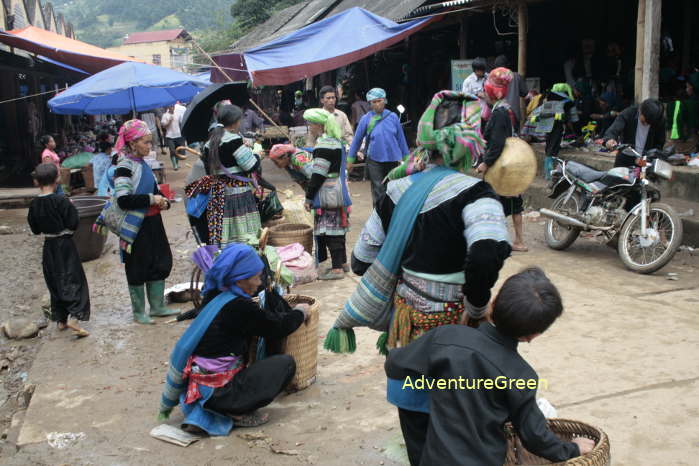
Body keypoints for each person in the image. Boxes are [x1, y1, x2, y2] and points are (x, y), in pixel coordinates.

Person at [385, 267, 595, 465]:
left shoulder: (447, 337)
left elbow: (395, 364)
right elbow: (536, 436)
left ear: (492, 304)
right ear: (533, 336)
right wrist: (572, 449)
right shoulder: (521, 377)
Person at [159, 243, 310, 434]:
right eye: (256, 277)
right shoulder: (239, 307)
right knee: (285, 364)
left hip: (199, 385)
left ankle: (220, 404)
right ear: (239, 280)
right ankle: (234, 411)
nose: (258, 283)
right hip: (220, 391)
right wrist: (299, 313)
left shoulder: (213, 293)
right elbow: (277, 327)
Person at [95, 119, 176, 324]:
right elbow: (124, 200)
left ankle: (157, 306)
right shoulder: (124, 167)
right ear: (132, 144)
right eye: (146, 142)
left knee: (160, 260)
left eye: (150, 142)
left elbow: (155, 191)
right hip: (136, 226)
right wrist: (152, 199)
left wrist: (163, 201)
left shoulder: (143, 165)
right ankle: (139, 312)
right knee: (138, 265)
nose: (150, 146)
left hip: (153, 223)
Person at [27, 163, 90, 338]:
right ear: (57, 179)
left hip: (49, 246)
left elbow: (35, 229)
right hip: (65, 245)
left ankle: (61, 320)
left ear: (37, 182)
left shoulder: (34, 204)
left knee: (54, 281)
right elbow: (73, 223)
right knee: (73, 279)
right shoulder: (61, 200)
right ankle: (75, 317)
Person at [185, 105, 262, 247]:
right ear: (235, 122)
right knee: (243, 232)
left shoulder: (209, 144)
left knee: (225, 231)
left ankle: (228, 256)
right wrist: (257, 155)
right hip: (238, 195)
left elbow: (210, 171)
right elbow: (251, 166)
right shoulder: (234, 140)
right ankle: (244, 257)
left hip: (219, 195)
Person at [477, 67, 528, 252]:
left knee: (495, 201)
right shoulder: (507, 109)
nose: (484, 94)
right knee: (513, 204)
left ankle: (504, 240)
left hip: (502, 166)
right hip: (510, 163)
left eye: (485, 91)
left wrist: (485, 162)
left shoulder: (499, 113)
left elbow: (498, 143)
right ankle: (518, 240)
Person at [303, 109, 352, 280]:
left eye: (310, 123)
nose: (310, 127)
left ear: (319, 125)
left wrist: (309, 197)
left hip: (327, 192)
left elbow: (317, 175)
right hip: (339, 188)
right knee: (339, 227)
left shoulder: (323, 145)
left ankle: (337, 269)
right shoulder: (336, 142)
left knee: (332, 230)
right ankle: (343, 263)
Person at [348, 88, 410, 206]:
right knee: (378, 188)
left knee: (392, 187)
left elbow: (401, 139)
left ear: (385, 101)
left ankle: (390, 215)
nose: (377, 104)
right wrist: (350, 160)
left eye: (379, 101)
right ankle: (378, 216)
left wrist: (407, 159)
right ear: (370, 103)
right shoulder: (365, 119)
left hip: (392, 158)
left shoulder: (393, 117)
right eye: (374, 102)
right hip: (373, 159)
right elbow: (357, 140)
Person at [531, 83, 579, 179]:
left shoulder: (547, 97)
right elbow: (574, 119)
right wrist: (577, 133)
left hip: (545, 125)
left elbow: (537, 111)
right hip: (557, 126)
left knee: (549, 145)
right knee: (553, 147)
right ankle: (550, 173)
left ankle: (548, 172)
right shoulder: (568, 102)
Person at [603, 98, 666, 167]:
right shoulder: (629, 113)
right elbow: (613, 130)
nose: (646, 124)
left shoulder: (659, 121)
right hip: (625, 159)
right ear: (641, 111)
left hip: (645, 162)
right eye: (644, 122)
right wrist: (609, 140)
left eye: (649, 123)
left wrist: (649, 157)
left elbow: (659, 144)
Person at [494, 55, 528, 131]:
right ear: (507, 65)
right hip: (514, 113)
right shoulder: (516, 76)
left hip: (498, 113)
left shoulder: (493, 78)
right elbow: (524, 93)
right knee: (514, 139)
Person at [161, 103, 186, 170]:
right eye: (171, 106)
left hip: (178, 135)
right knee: (172, 151)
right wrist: (169, 121)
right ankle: (174, 165)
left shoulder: (177, 114)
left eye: (173, 106)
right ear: (168, 107)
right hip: (170, 136)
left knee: (178, 150)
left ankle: (177, 164)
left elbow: (181, 122)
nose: (172, 108)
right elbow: (163, 126)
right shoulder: (165, 115)